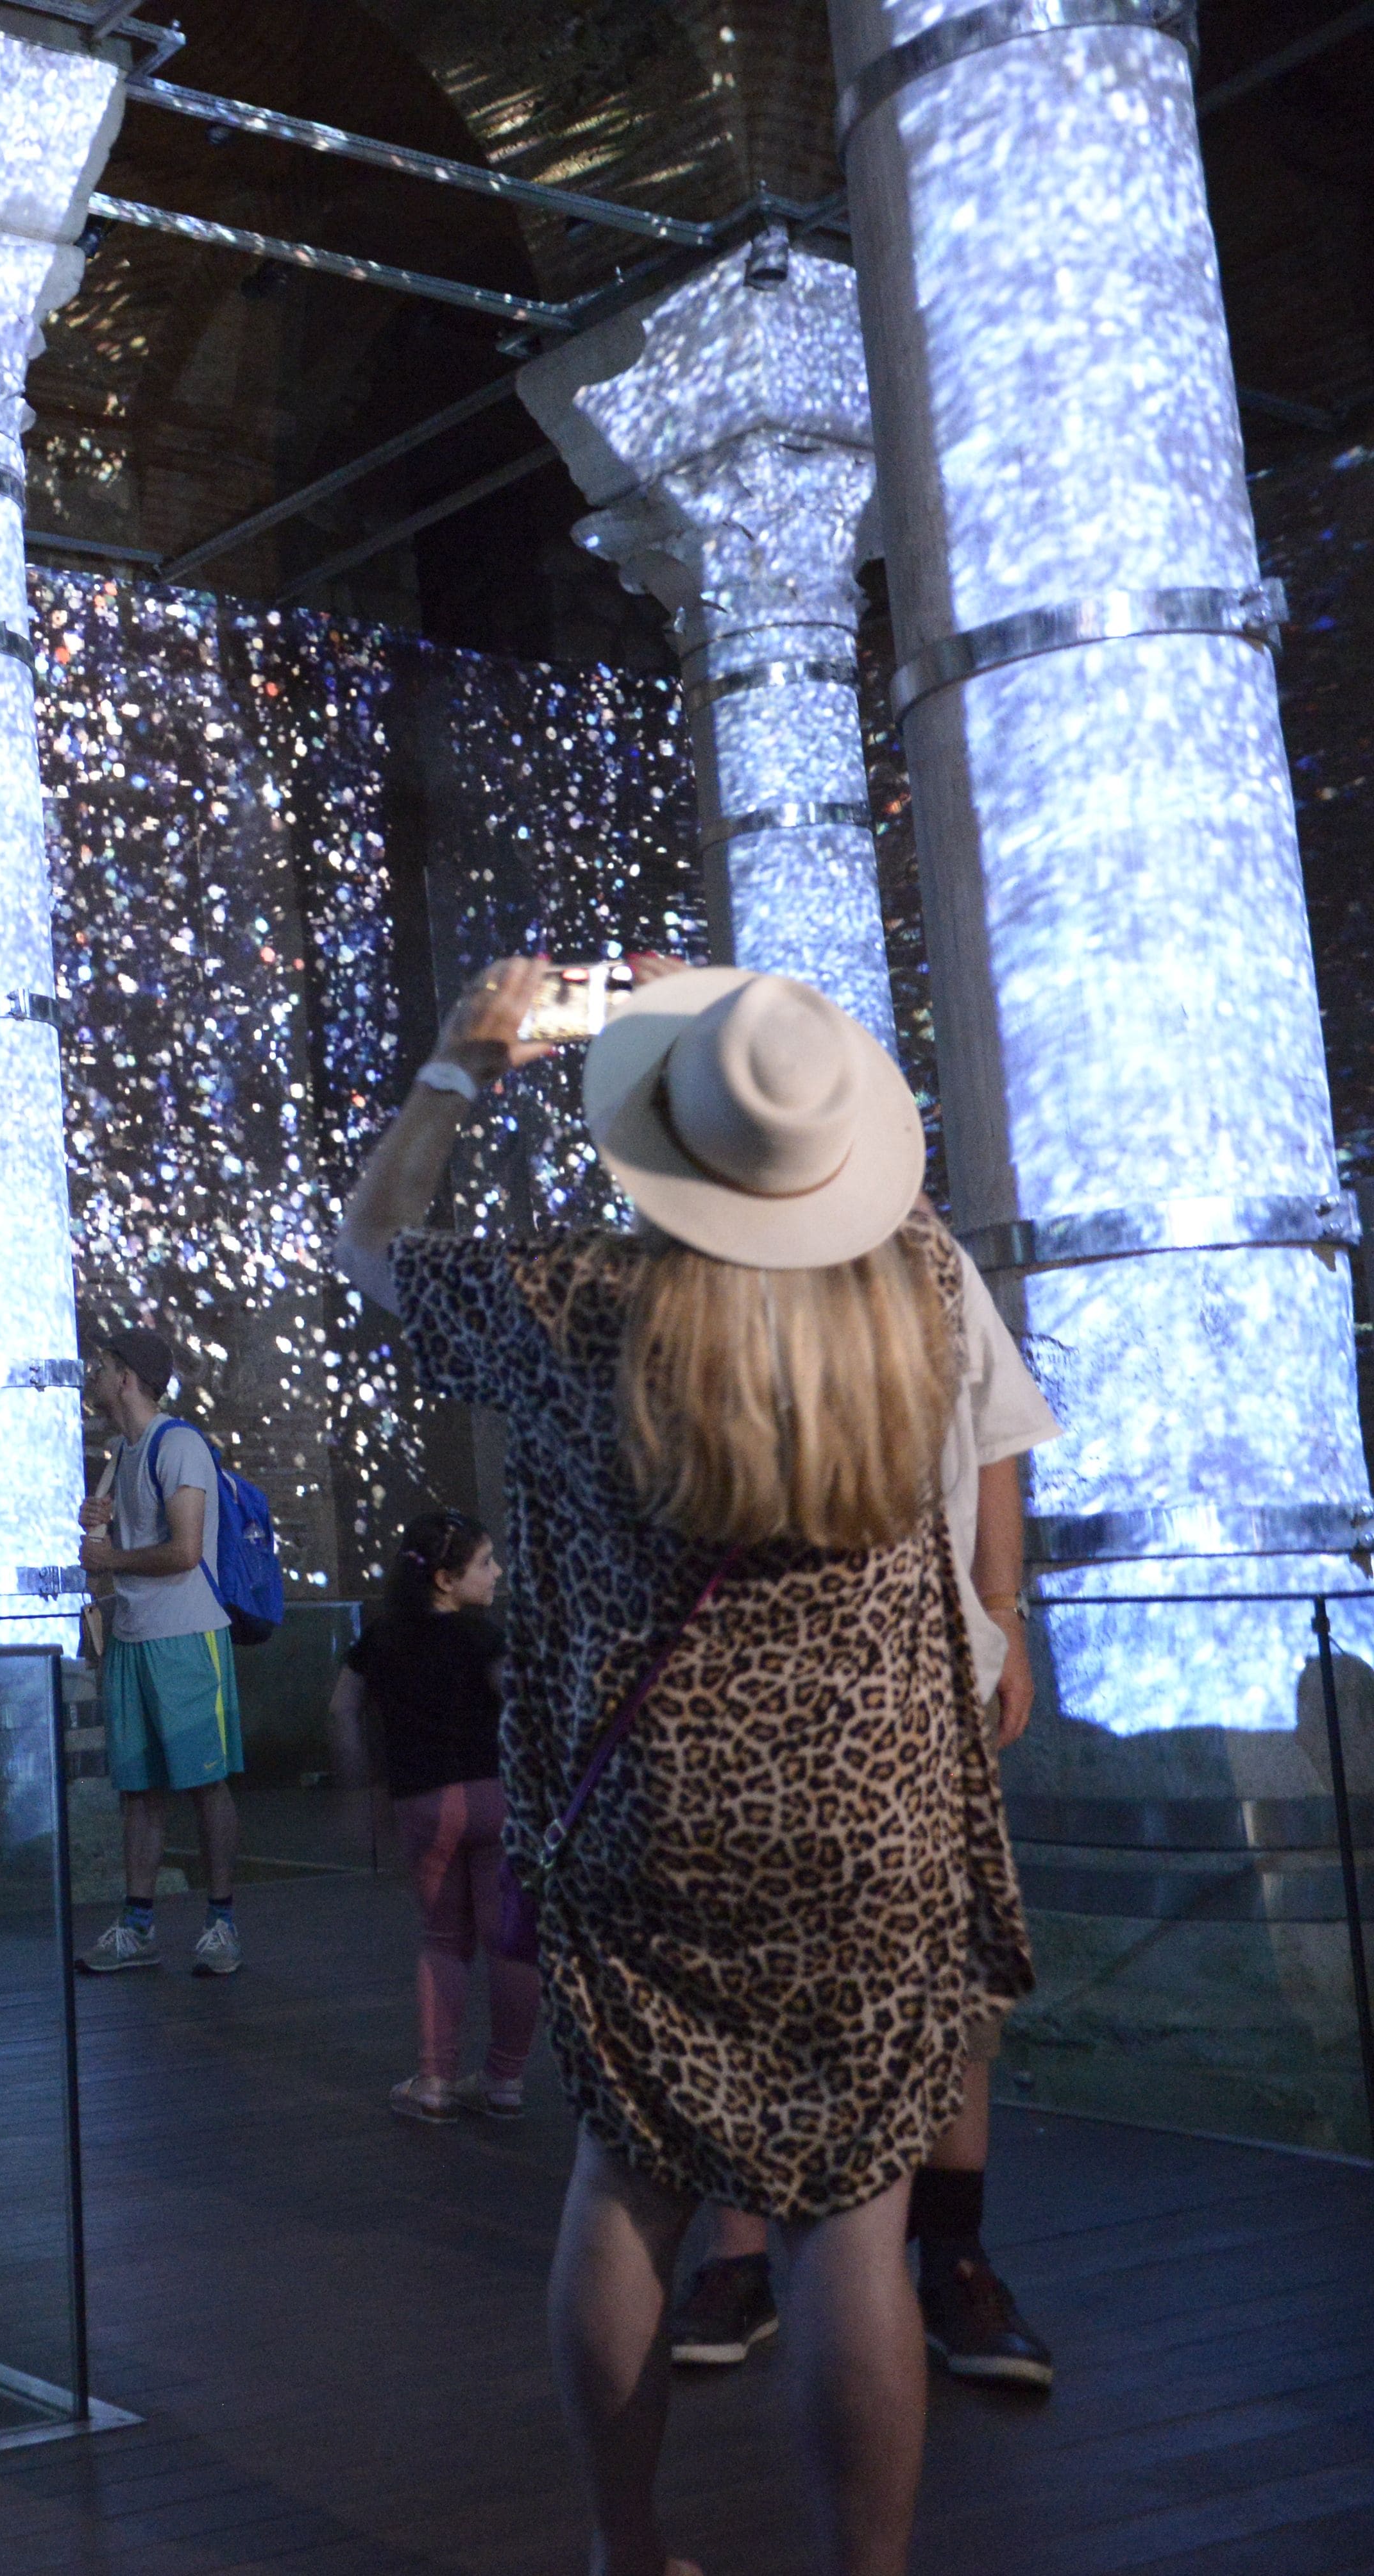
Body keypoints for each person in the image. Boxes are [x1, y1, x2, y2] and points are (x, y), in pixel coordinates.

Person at [336, 958, 1029, 2576]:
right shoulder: (915, 1287)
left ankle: (625, 2545)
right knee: (852, 2222)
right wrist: (739, 1026)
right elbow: (895, 1222)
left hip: (646, 1819)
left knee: (625, 2187)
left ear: (661, 1133)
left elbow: (369, 1248)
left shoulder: (577, 1301)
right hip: (875, 1817)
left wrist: (460, 1059)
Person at [665, 1221, 1060, 2386]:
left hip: (924, 1681)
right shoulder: (686, 1261)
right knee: (740, 1972)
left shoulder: (923, 1252)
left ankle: (953, 2255)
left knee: (952, 1970)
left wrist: (1002, 1609)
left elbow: (996, 1426)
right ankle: (741, 2254)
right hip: (734, 1695)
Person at [332, 1508, 540, 2123]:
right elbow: (523, 1705)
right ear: (446, 1580)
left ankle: (434, 2082)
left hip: (421, 1805)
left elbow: (341, 1709)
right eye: (485, 1563)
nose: (497, 1572)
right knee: (509, 1943)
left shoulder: (381, 1637)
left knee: (443, 1941)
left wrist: (358, 1787)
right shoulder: (483, 1636)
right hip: (496, 1799)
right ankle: (504, 2079)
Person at [73, 1329, 246, 1978]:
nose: (92, 1377)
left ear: (125, 1377)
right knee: (138, 1789)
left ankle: (222, 1922)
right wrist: (101, 1533)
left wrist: (111, 1556)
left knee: (205, 1781)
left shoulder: (178, 1445)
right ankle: (138, 1924)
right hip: (133, 1634)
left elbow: (185, 1550)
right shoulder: (122, 1452)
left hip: (186, 1635)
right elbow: (128, 1550)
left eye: (101, 1367)